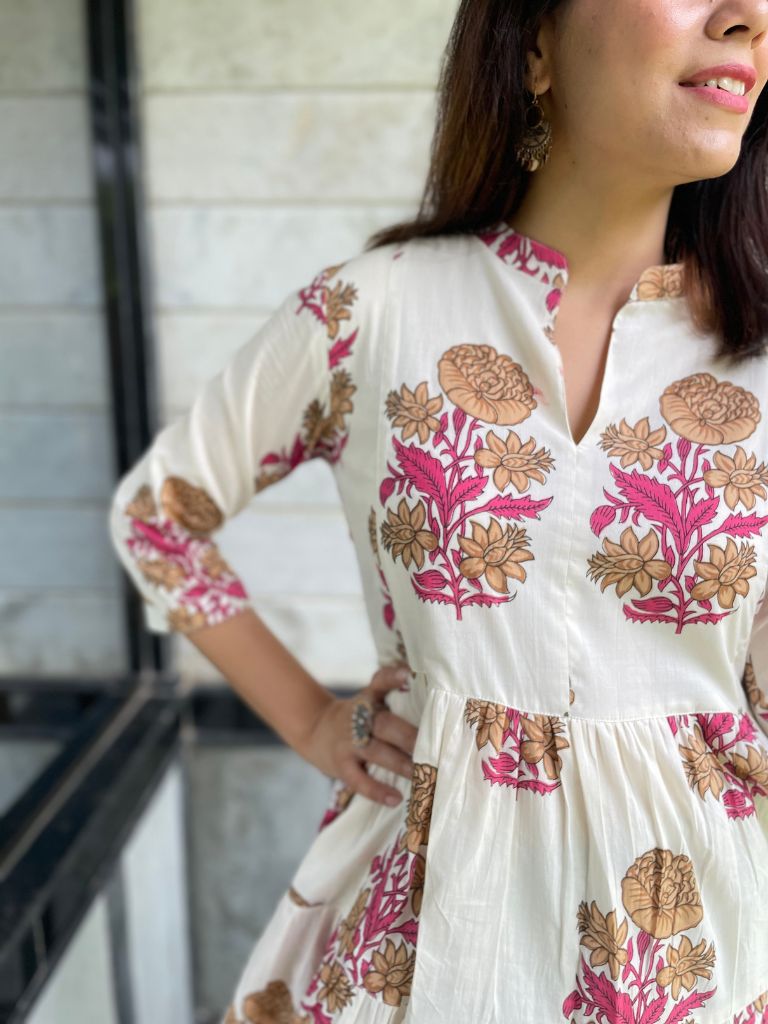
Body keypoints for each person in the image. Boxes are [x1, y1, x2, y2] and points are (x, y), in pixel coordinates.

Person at [107, 1, 768, 1021]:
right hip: (423, 941)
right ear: (537, 46)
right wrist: (318, 721)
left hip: (705, 948)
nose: (748, 16)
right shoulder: (376, 313)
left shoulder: (759, 363)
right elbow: (157, 515)